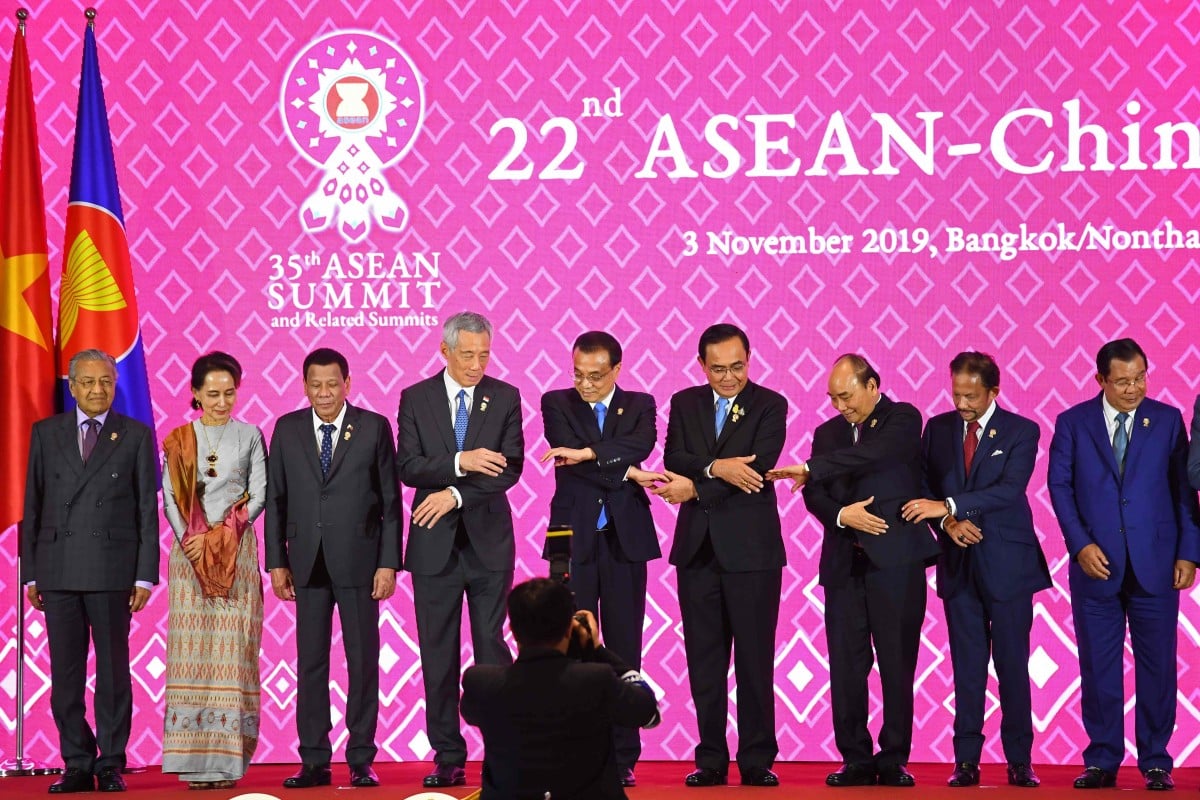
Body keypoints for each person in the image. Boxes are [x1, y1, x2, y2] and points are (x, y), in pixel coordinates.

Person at [769, 354, 939, 788]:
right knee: (846, 666)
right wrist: (844, 515)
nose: (840, 406)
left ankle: (894, 757)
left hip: (896, 562)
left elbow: (872, 455)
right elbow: (815, 496)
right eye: (833, 398)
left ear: (872, 385)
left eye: (846, 396)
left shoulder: (902, 418)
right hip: (844, 562)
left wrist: (810, 469)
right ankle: (856, 758)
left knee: (897, 663)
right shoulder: (827, 433)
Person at [1047, 338, 1200, 791]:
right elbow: (1060, 488)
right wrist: (1079, 545)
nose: (1133, 389)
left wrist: (1189, 552)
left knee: (1158, 668)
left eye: (1140, 378)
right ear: (1101, 380)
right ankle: (1102, 760)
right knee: (1098, 667)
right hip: (1096, 565)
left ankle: (1156, 760)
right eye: (1122, 381)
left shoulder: (1168, 420)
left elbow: (1184, 491)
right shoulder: (1073, 422)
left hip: (1157, 563)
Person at [899, 352, 1050, 788]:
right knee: (966, 667)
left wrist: (950, 506)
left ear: (994, 392)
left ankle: (1020, 760)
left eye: (971, 396)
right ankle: (965, 760)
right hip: (958, 562)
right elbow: (924, 485)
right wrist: (946, 522)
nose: (961, 403)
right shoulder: (939, 428)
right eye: (956, 394)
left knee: (1011, 665)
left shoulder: (1023, 430)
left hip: (1007, 565)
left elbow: (1008, 490)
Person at [652, 323, 787, 788]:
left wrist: (697, 485)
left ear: (750, 359)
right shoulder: (685, 402)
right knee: (704, 661)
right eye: (718, 369)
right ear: (700, 365)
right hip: (697, 552)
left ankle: (755, 758)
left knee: (754, 659)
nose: (728, 377)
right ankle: (710, 757)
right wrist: (715, 467)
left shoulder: (770, 404)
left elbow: (758, 469)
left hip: (753, 554)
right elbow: (675, 455)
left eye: (737, 367)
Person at [21, 349, 159, 794]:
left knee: (114, 674)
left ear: (115, 384)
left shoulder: (135, 435)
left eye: (106, 381)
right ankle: (77, 761)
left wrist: (143, 575)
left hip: (112, 570)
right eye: (88, 382)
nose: (98, 390)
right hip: (58, 569)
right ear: (73, 386)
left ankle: (111, 763)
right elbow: (34, 505)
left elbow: (145, 511)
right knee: (65, 677)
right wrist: (31, 573)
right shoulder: (46, 432)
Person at [397, 311, 525, 789]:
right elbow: (408, 466)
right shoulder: (416, 398)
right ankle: (448, 753)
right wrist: (460, 461)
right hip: (433, 548)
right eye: (467, 354)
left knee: (493, 653)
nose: (477, 364)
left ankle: (504, 753)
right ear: (444, 351)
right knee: (438, 653)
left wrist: (454, 492)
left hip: (490, 546)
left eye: (484, 354)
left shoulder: (505, 396)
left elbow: (510, 468)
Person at [264, 347, 402, 789]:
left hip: (361, 562)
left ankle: (361, 756)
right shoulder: (286, 429)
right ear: (304, 386)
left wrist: (388, 563)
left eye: (332, 384)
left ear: (348, 383)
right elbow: (276, 502)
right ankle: (314, 759)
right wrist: (277, 563)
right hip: (306, 562)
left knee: (362, 661)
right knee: (311, 664)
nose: (324, 393)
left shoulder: (374, 427)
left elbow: (391, 504)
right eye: (315, 384)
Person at [538, 330, 663, 788]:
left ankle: (624, 754)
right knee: (570, 647)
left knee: (625, 646)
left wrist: (591, 453)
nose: (585, 384)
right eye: (578, 374)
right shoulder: (557, 402)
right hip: (572, 539)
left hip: (625, 539)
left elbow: (640, 445)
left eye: (595, 376)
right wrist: (628, 471)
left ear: (616, 370)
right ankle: (575, 751)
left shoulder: (641, 404)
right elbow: (577, 461)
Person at [160, 351, 267, 790]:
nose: (222, 402)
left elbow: (258, 493)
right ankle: (193, 762)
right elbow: (169, 496)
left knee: (233, 654)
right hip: (189, 558)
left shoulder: (250, 436)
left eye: (229, 393)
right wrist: (194, 540)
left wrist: (224, 537)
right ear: (195, 394)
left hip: (236, 554)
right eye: (213, 394)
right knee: (193, 653)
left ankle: (228, 762)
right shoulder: (180, 439)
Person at [461, 578, 660, 800]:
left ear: (512, 630)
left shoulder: (480, 683)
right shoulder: (595, 680)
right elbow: (649, 713)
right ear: (569, 628)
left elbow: (472, 713)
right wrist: (596, 650)